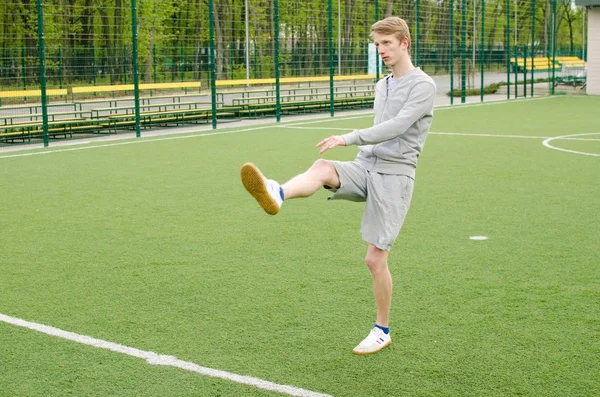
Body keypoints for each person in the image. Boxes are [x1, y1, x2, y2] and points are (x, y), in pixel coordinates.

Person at [240, 16, 436, 355]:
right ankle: (278, 192)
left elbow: (397, 126)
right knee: (321, 167)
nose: (381, 50)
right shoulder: (383, 85)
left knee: (375, 260)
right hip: (366, 165)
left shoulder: (423, 85)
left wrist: (348, 137)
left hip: (394, 176)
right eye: (378, 45)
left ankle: (382, 329)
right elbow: (381, 128)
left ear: (404, 43)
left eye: (387, 43)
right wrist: (358, 148)